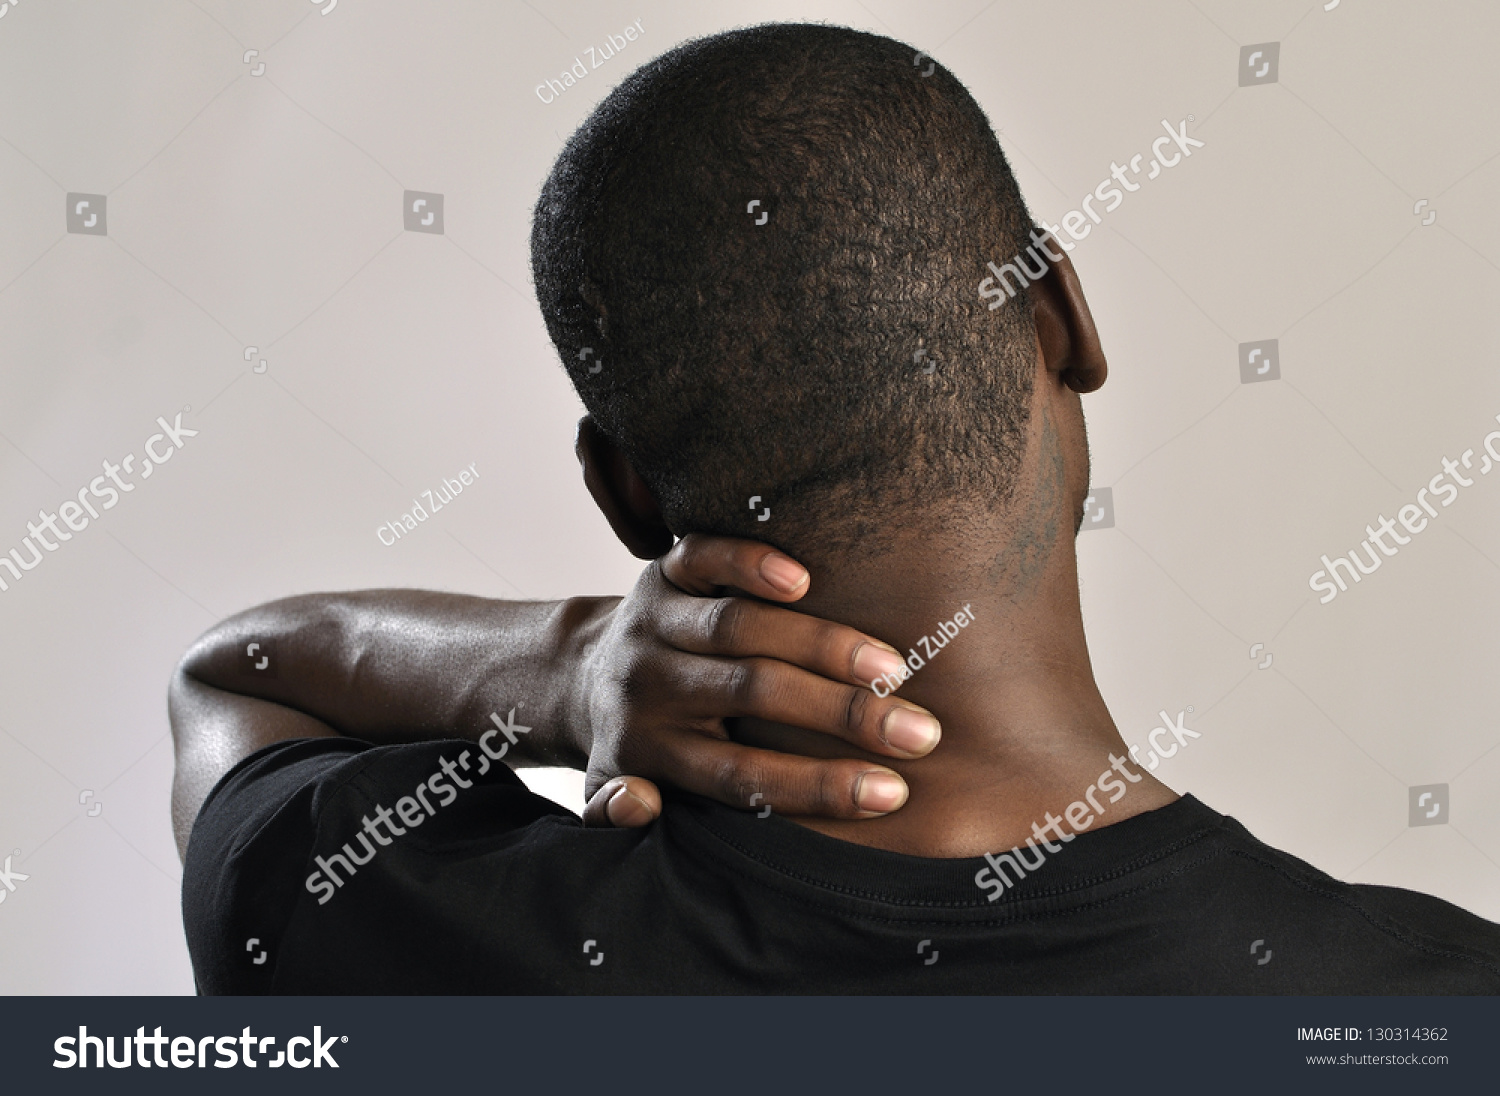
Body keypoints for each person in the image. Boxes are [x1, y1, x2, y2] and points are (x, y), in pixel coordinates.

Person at [174, 23, 1500, 993]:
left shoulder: (383, 921)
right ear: (1062, 321)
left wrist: (570, 668)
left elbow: (236, 673)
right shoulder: (1433, 1008)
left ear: (626, 490)